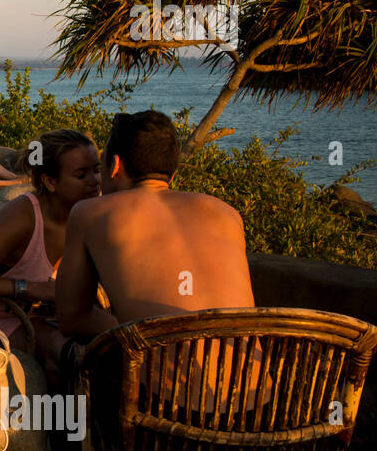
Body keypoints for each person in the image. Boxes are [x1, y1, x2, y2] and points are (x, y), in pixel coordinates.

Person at [56, 110, 254, 345]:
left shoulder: (89, 213)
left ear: (115, 165)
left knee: (56, 347)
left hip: (159, 380)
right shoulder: (227, 213)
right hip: (254, 379)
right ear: (171, 169)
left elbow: (71, 319)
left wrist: (128, 325)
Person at [0, 129, 113, 385]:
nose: (94, 181)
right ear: (49, 181)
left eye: (97, 170)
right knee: (69, 353)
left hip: (44, 316)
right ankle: (59, 422)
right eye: (81, 174)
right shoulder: (23, 217)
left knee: (118, 338)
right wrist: (33, 289)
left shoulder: (87, 216)